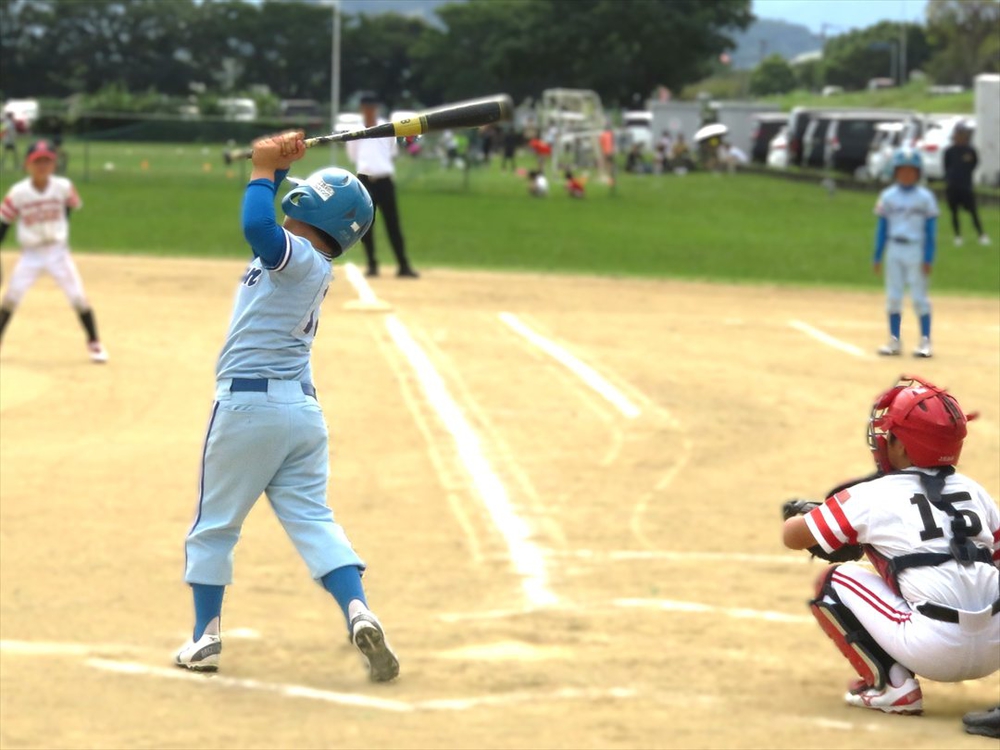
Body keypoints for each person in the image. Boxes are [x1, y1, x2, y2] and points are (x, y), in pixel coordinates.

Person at [175, 130, 400, 683]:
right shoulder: (309, 262)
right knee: (314, 519)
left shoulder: (294, 256)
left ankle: (205, 637)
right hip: (300, 412)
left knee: (214, 526)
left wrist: (260, 170)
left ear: (311, 209)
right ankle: (358, 610)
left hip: (248, 409)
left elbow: (257, 227)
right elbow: (269, 222)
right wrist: (275, 165)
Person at [782, 374, 999, 716]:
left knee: (834, 582)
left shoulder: (871, 495)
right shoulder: (975, 491)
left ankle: (893, 686)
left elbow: (793, 536)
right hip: (995, 647)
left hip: (933, 648)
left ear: (902, 446)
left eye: (890, 434)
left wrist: (809, 515)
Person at [0, 140, 108, 363]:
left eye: (47, 161)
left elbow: (70, 206)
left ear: (54, 164)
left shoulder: (64, 187)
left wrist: (60, 229)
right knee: (11, 297)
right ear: (27, 165)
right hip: (31, 254)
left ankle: (94, 343)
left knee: (78, 297)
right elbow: (4, 223)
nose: (42, 166)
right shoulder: (18, 193)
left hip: (58, 251)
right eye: (37, 161)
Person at [873, 149, 938, 359]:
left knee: (919, 297)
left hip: (915, 249)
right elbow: (882, 227)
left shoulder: (925, 198)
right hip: (894, 248)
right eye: (902, 170)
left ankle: (925, 341)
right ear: (895, 172)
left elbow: (931, 231)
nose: (907, 174)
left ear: (918, 173)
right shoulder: (888, 196)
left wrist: (928, 256)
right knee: (893, 296)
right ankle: (894, 340)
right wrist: (877, 254)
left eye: (911, 171)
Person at [345, 93, 418, 279]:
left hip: (384, 179)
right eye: (366, 108)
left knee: (393, 223)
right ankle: (372, 264)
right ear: (362, 109)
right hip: (365, 180)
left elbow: (392, 151)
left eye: (372, 107)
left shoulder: (386, 127)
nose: (370, 111)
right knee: (366, 225)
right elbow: (353, 155)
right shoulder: (356, 131)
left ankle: (403, 264)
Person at [943, 122, 989, 247]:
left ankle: (981, 235)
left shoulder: (970, 150)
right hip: (953, 185)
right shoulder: (949, 151)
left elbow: (975, 163)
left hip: (966, 185)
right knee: (954, 212)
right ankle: (957, 236)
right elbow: (946, 166)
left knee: (973, 211)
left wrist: (966, 173)